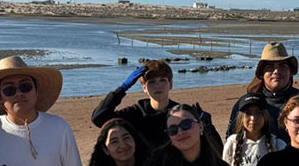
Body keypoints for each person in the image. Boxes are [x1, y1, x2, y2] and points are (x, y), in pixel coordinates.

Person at [91, 59, 221, 150]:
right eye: (151, 82)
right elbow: (99, 118)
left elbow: (217, 150)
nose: (158, 86)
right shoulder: (135, 113)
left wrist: (208, 127)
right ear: (144, 87)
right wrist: (122, 89)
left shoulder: (181, 114)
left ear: (170, 84)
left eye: (162, 80)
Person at [226, 42, 299, 144]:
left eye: (282, 66)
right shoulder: (246, 104)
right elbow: (232, 139)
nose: (277, 71)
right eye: (269, 67)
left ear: (290, 71)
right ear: (261, 74)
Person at [222, 92, 285, 166]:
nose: (253, 118)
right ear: (241, 117)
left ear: (265, 116)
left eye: (258, 112)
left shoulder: (278, 145)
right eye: (248, 113)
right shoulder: (232, 143)